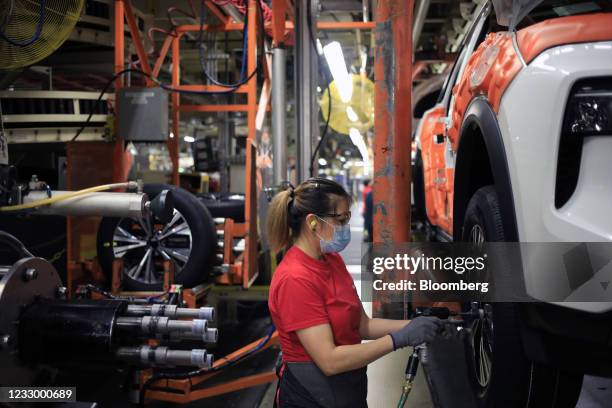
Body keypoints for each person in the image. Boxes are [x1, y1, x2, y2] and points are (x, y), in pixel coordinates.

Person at [267, 177, 442, 407]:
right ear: (312, 222)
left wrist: (413, 325)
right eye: (340, 219)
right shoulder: (295, 279)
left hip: (347, 390)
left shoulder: (332, 260)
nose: (345, 227)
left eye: (347, 218)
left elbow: (361, 326)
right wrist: (397, 340)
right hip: (311, 397)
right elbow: (329, 360)